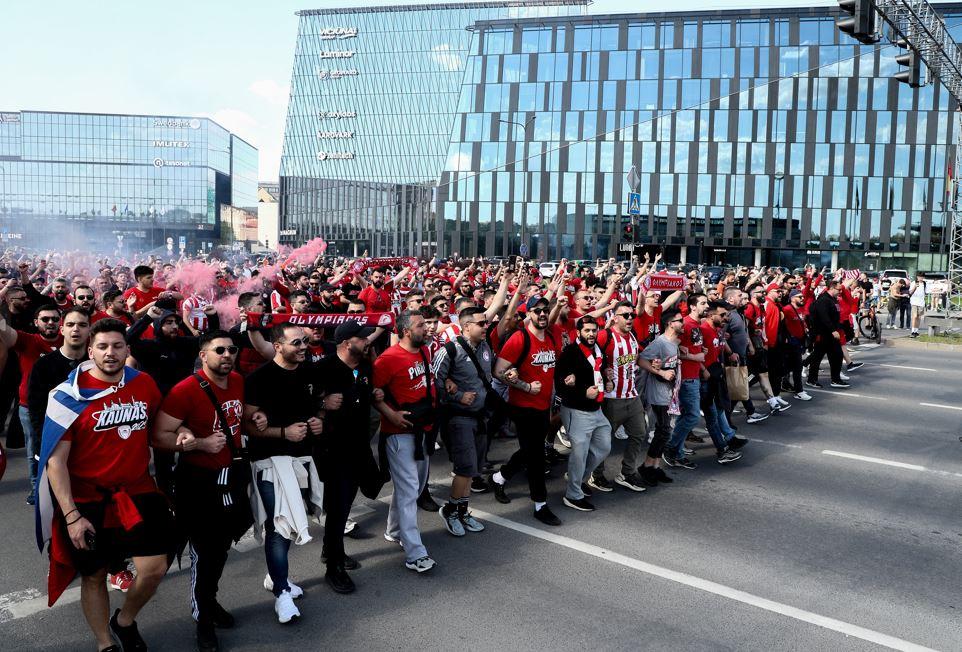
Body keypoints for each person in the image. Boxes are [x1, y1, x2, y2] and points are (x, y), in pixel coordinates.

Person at [35, 318, 172, 652]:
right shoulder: (68, 396)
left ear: (127, 348)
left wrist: (180, 436)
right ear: (90, 350)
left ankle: (123, 621)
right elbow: (56, 462)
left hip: (137, 491)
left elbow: (157, 428)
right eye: (102, 346)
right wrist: (71, 516)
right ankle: (104, 644)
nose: (110, 353)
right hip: (88, 501)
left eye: (117, 346)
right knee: (95, 575)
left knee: (154, 569)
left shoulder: (144, 384)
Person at [153, 331, 252, 652]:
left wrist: (255, 416)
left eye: (231, 349)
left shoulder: (237, 380)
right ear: (203, 355)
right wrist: (199, 443)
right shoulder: (185, 390)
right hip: (198, 481)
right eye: (219, 350)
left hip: (232, 476)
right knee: (205, 553)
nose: (227, 355)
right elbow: (159, 436)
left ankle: (208, 600)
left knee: (221, 547)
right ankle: (204, 619)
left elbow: (239, 413)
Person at [243, 322, 324, 624]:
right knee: (279, 527)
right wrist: (282, 432)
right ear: (277, 346)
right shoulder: (259, 378)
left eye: (305, 341)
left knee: (289, 525)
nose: (304, 347)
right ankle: (281, 593)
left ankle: (274, 577)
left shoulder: (309, 372)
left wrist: (318, 420)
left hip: (302, 460)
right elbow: (249, 426)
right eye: (296, 343)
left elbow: (318, 406)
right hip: (270, 462)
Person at [315, 320, 383, 594]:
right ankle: (334, 567)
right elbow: (299, 401)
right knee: (338, 506)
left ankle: (329, 550)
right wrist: (322, 403)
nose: (368, 341)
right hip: (333, 450)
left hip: (359, 446)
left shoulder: (365, 367)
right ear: (346, 343)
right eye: (362, 338)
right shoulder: (323, 369)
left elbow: (366, 398)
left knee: (349, 501)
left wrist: (374, 393)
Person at [373, 310, 439, 573]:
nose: (428, 328)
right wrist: (391, 414)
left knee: (412, 486)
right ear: (407, 331)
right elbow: (373, 394)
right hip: (400, 434)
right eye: (421, 325)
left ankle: (394, 530)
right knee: (411, 488)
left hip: (423, 429)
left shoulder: (424, 351)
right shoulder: (387, 359)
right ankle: (415, 552)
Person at [489, 296, 562, 526]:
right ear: (528, 313)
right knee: (537, 457)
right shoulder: (520, 339)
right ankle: (540, 504)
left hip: (543, 407)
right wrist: (525, 386)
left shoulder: (550, 337)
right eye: (537, 310)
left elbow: (551, 368)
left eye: (545, 310)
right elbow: (498, 371)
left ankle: (499, 477)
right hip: (522, 408)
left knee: (530, 450)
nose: (542, 314)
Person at [432, 306, 492, 535]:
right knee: (465, 467)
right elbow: (434, 384)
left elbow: (489, 374)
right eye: (481, 323)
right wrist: (457, 396)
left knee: (473, 469)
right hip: (459, 418)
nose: (486, 326)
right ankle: (450, 510)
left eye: (486, 323)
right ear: (467, 326)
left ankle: (462, 511)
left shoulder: (485, 347)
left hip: (481, 416)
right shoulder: (449, 351)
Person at [0, 304, 64, 503]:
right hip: (30, 407)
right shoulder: (28, 340)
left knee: (65, 450)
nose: (50, 323)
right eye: (45, 319)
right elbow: (2, 328)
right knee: (34, 450)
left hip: (64, 407)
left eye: (55, 319)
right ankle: (37, 490)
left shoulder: (72, 339)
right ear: (36, 323)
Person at [555, 317, 612, 512]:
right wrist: (582, 391)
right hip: (576, 411)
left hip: (596, 410)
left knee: (603, 447)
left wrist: (608, 379)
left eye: (594, 330)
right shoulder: (570, 353)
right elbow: (559, 384)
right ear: (578, 332)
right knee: (579, 454)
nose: (591, 334)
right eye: (587, 330)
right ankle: (573, 495)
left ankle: (577, 479)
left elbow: (600, 372)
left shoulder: (598, 350)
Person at [592, 302, 648, 493]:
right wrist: (601, 372)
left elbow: (636, 358)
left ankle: (627, 472)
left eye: (632, 315)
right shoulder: (604, 336)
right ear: (614, 318)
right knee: (604, 441)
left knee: (640, 433)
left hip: (632, 396)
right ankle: (595, 474)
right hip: (611, 398)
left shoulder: (632, 336)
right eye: (625, 315)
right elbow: (588, 358)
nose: (630, 318)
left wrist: (654, 366)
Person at [636, 309, 683, 486]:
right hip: (658, 393)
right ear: (670, 323)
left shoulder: (674, 343)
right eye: (680, 321)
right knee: (663, 430)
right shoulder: (659, 343)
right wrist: (661, 372)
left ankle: (655, 466)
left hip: (670, 394)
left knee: (666, 431)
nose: (683, 324)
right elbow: (641, 360)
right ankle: (646, 467)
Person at [806, 280, 850, 389]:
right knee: (817, 357)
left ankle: (835, 379)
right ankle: (811, 379)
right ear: (831, 288)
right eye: (838, 290)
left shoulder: (833, 300)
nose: (840, 292)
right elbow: (823, 317)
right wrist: (833, 330)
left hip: (832, 334)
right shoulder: (823, 300)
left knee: (837, 356)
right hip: (823, 333)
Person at [909, 273, 926, 337]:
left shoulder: (924, 284)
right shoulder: (914, 283)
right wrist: (915, 287)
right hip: (914, 302)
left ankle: (916, 331)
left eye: (922, 277)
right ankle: (913, 331)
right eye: (919, 277)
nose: (920, 278)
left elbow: (927, 291)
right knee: (915, 316)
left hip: (921, 302)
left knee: (919, 317)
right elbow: (910, 292)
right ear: (917, 277)